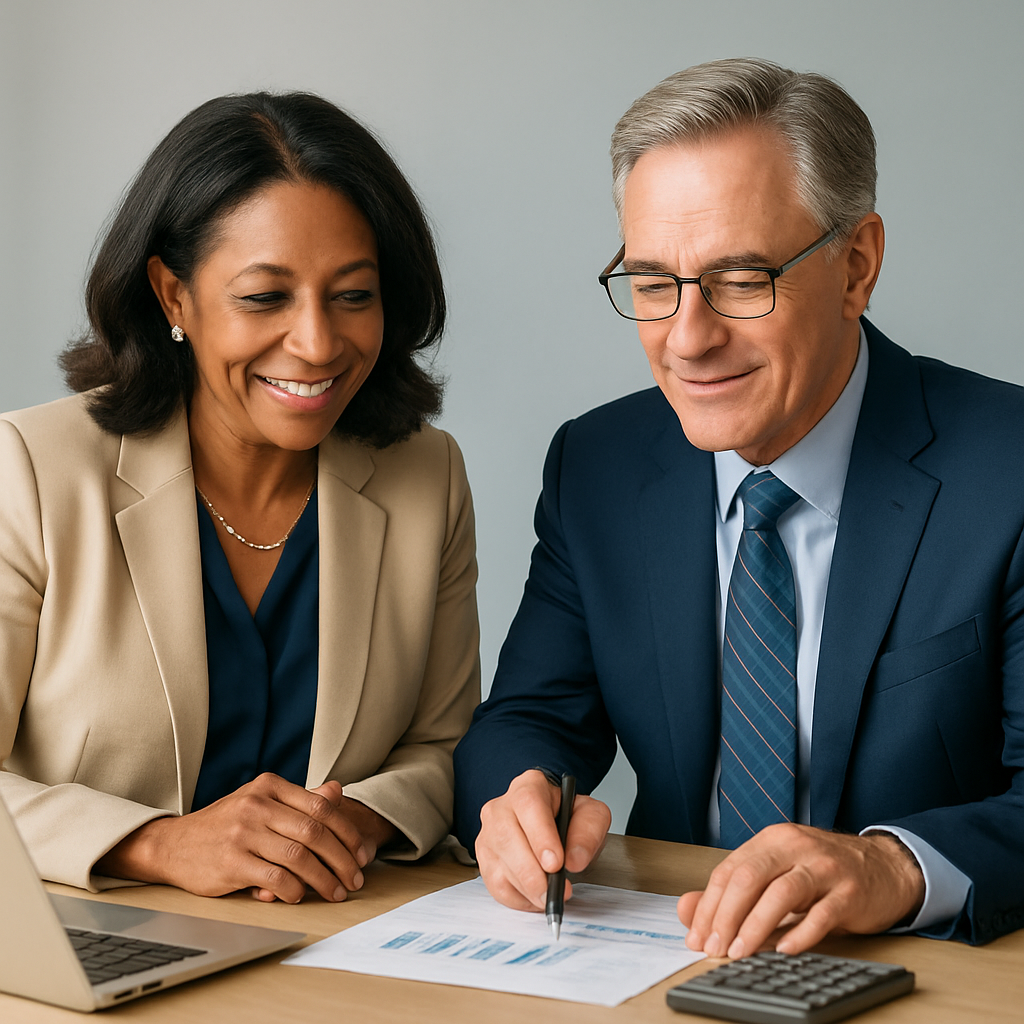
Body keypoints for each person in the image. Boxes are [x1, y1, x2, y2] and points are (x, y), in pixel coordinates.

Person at [453, 57, 1024, 950]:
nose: (689, 338)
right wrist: (519, 797)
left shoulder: (1010, 469)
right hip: (671, 961)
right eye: (652, 283)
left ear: (857, 265)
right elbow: (529, 717)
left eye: (742, 279)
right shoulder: (597, 466)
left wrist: (894, 866)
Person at [0, 92, 480, 904]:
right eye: (266, 298)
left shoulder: (426, 476)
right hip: (96, 954)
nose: (319, 343)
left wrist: (358, 824)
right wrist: (157, 846)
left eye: (353, 295)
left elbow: (443, 748)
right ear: (173, 297)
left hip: (337, 947)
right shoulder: (31, 469)